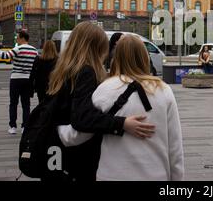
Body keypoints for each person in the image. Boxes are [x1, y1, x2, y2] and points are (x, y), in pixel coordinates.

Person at [48, 22, 156, 181]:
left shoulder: (62, 69)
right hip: (77, 155)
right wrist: (122, 123)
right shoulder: (86, 72)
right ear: (95, 48)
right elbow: (83, 118)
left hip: (56, 152)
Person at [91, 35, 183, 180]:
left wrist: (59, 130)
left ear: (116, 57)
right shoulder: (163, 90)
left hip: (112, 175)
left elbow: (84, 129)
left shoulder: (104, 89)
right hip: (154, 175)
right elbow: (175, 146)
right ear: (144, 57)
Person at [0, 30, 38, 134]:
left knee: (13, 103)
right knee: (26, 105)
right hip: (28, 80)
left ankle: (12, 127)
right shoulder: (34, 51)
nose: (17, 39)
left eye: (17, 37)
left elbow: (5, 56)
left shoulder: (18, 48)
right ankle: (25, 127)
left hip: (16, 79)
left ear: (22, 38)